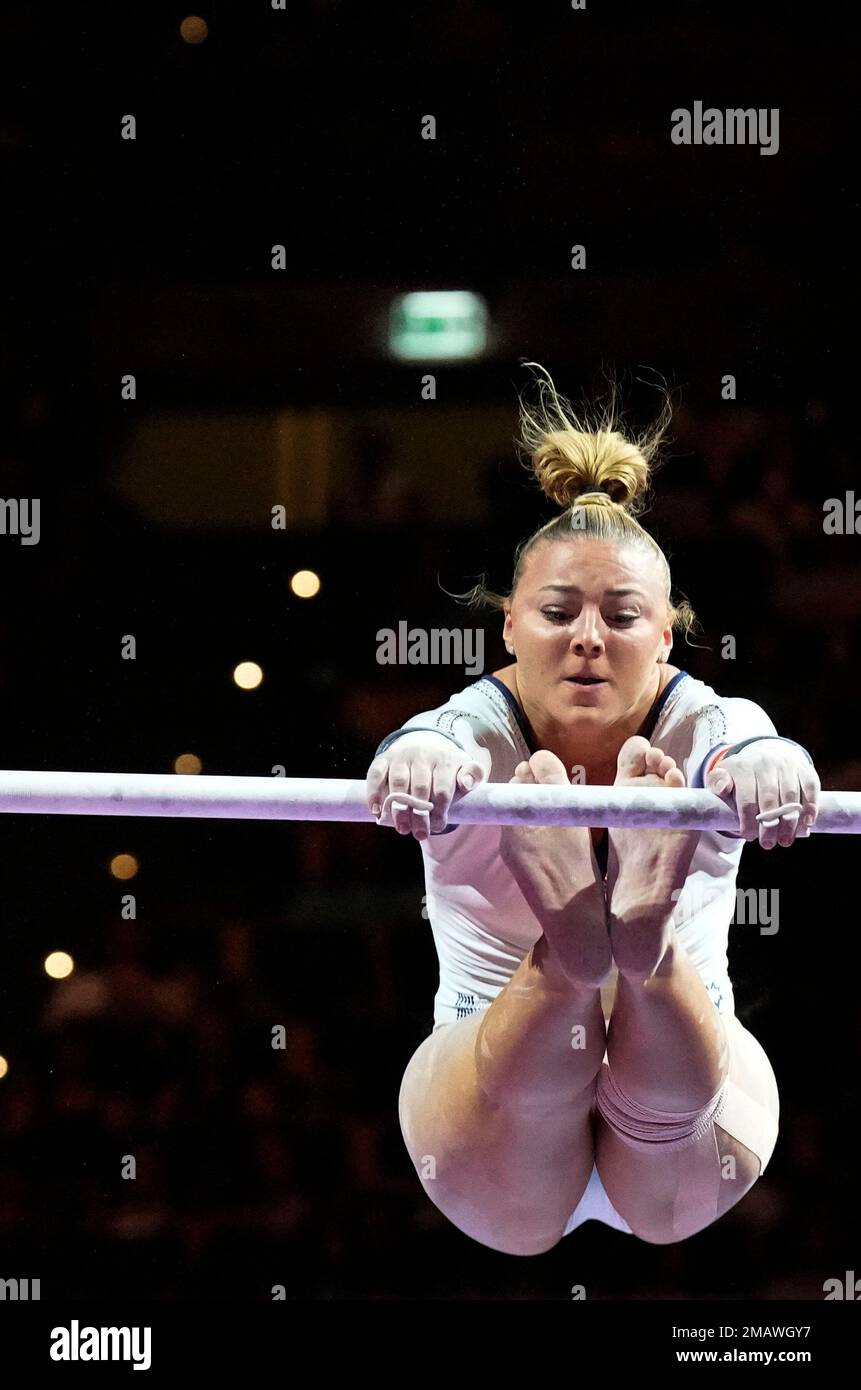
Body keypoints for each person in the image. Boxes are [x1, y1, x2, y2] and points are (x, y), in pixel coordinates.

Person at [365, 366, 820, 1255]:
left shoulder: (702, 723)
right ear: (506, 627)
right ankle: (590, 957)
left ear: (664, 636)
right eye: (556, 611)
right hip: (489, 1091)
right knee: (565, 1177)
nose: (585, 637)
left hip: (683, 1100)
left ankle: (620, 955)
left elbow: (750, 740)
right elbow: (430, 740)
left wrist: (770, 765)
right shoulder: (469, 726)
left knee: (625, 1163)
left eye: (620, 616)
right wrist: (411, 758)